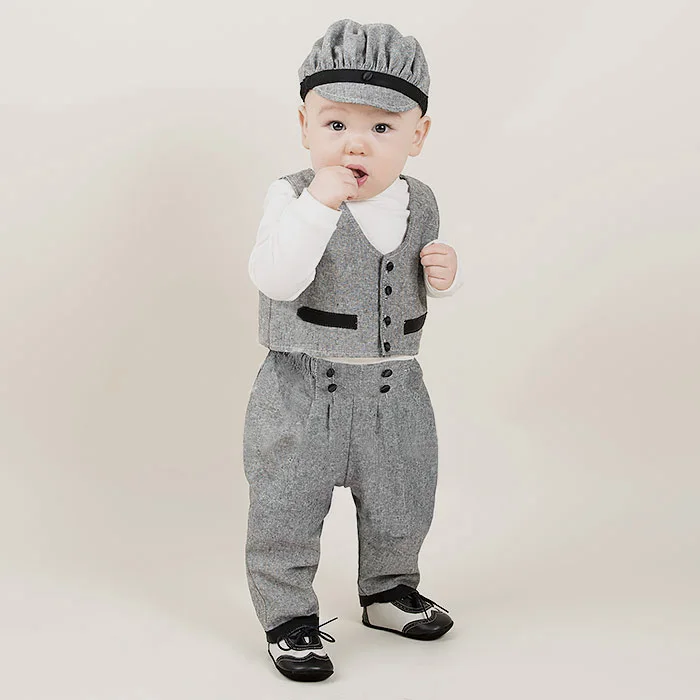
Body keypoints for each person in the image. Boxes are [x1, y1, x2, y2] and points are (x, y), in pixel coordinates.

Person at [243, 18, 464, 682]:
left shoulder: (420, 202)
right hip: (305, 388)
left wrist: (445, 276)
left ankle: (390, 589)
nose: (355, 143)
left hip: (395, 387)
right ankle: (288, 617)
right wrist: (318, 205)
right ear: (305, 126)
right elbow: (275, 278)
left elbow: (408, 285)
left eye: (382, 128)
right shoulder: (292, 195)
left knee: (405, 494)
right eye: (336, 124)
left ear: (418, 136)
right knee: (287, 504)